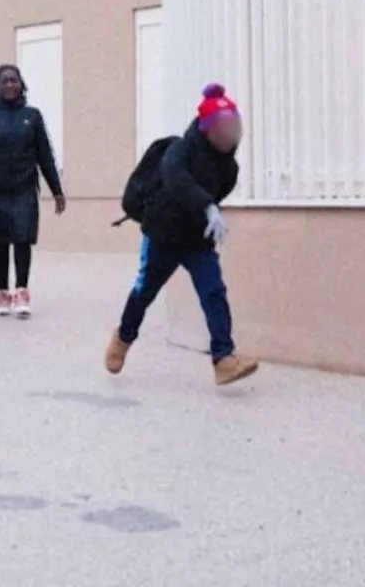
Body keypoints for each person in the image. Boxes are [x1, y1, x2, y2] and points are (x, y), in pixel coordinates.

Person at [104, 84, 259, 387]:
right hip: (163, 236)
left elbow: (218, 191)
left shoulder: (230, 167)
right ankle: (123, 338)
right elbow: (176, 180)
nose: (230, 134)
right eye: (223, 127)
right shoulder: (180, 150)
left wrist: (210, 214)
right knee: (144, 291)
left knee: (213, 291)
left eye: (233, 127)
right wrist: (207, 206)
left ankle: (224, 360)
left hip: (197, 242)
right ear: (207, 128)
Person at [0, 65, 65, 318]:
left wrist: (57, 191)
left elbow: (45, 155)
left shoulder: (33, 116)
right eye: (4, 81)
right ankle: (2, 292)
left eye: (14, 80)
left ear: (21, 84)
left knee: (23, 239)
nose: (10, 85)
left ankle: (21, 291)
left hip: (24, 188)